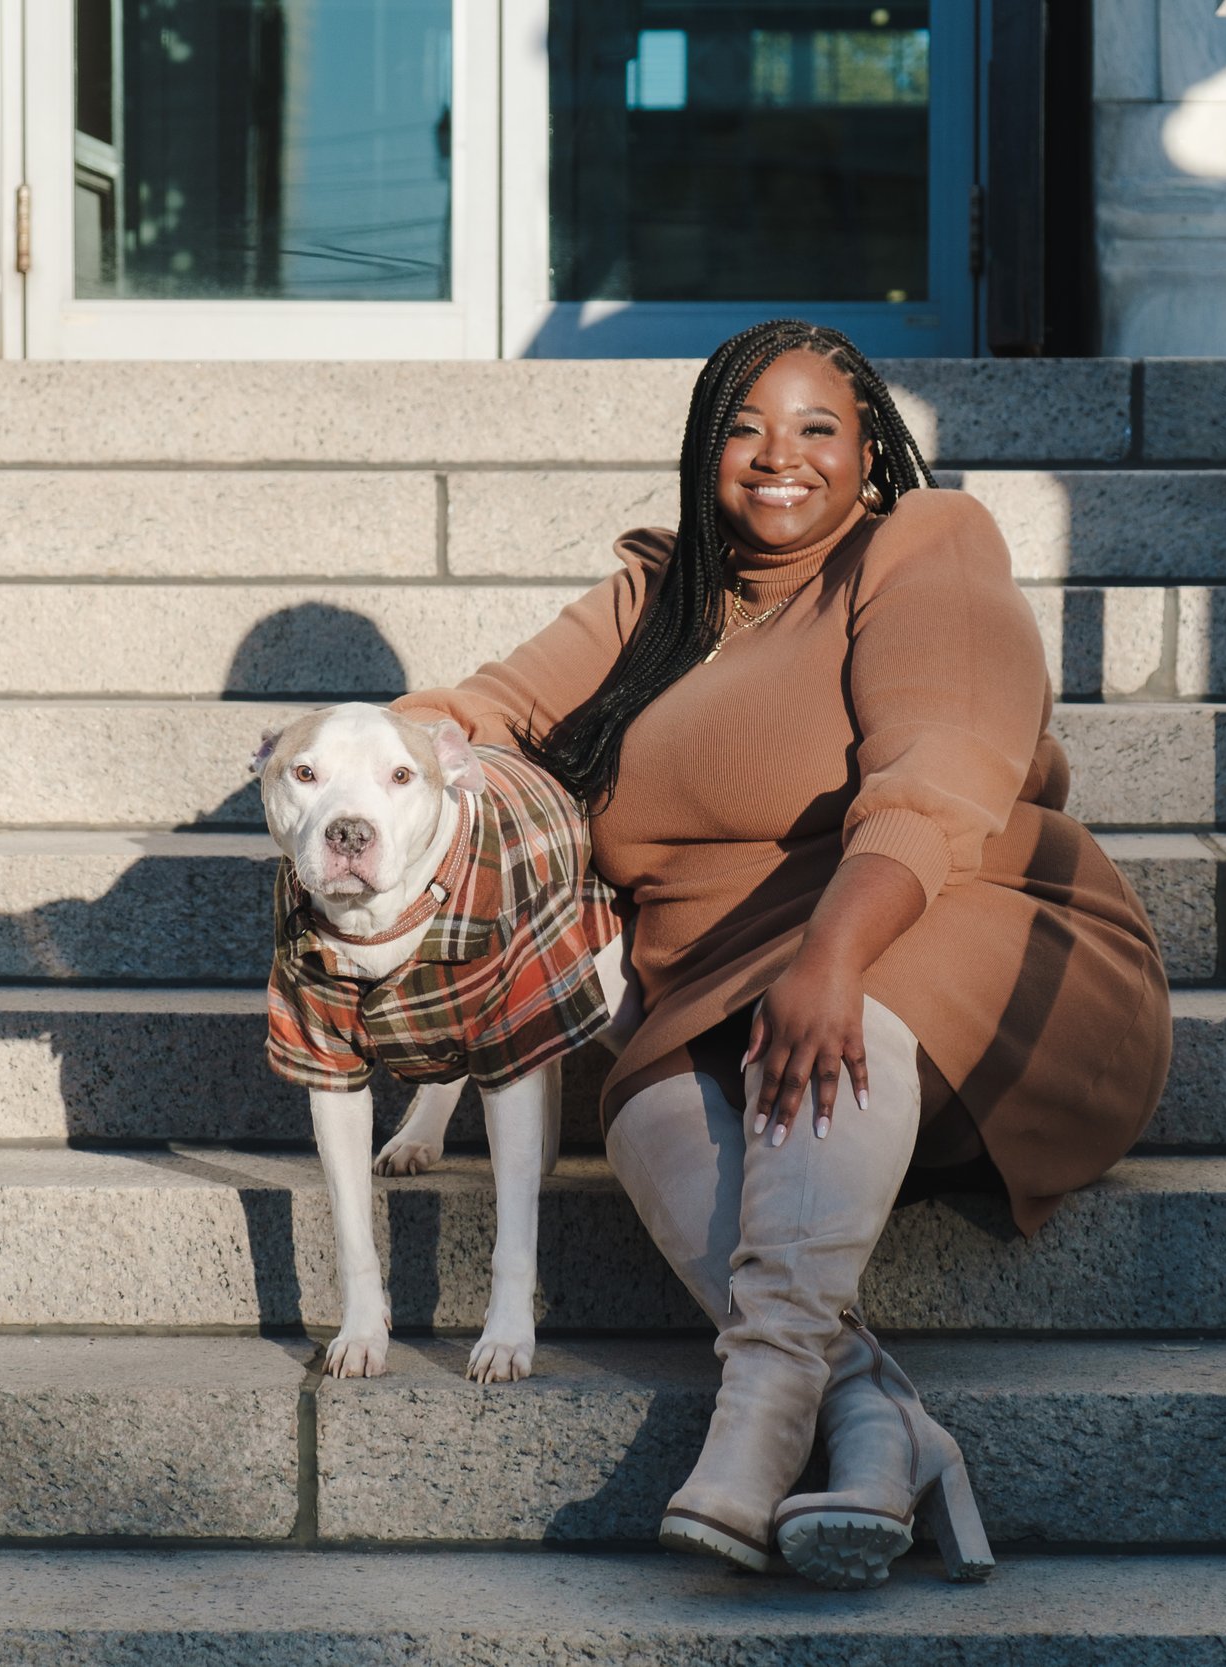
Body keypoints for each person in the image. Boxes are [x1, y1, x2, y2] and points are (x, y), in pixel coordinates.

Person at [393, 319, 1171, 1590]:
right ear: (706, 451)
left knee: (836, 1020)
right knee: (644, 1101)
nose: (779, 456)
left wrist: (831, 955)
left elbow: (944, 768)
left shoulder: (922, 543)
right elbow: (481, 709)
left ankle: (755, 1424)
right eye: (746, 426)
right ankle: (876, 1426)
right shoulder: (654, 602)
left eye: (818, 427)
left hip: (953, 916)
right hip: (706, 978)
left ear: (867, 453)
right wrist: (340, 767)